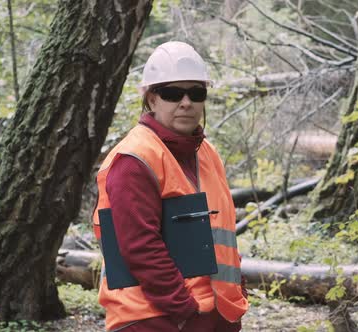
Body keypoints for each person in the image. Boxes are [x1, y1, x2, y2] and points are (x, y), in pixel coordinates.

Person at [92, 41, 249, 331]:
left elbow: (219, 234)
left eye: (196, 93)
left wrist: (233, 292)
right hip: (154, 319)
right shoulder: (133, 160)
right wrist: (185, 311)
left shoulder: (207, 153)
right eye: (172, 93)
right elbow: (140, 247)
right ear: (152, 99)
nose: (186, 102)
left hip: (214, 314)